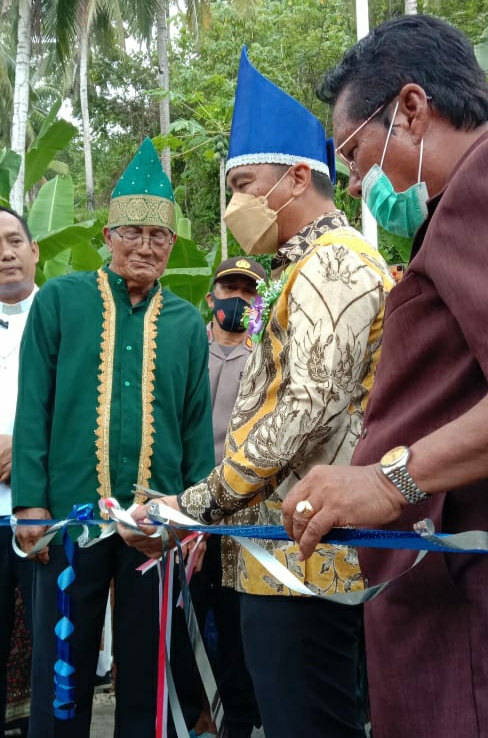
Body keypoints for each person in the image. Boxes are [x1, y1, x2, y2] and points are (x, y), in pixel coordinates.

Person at [121, 49, 393, 738]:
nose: (236, 201)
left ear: (298, 177)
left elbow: (301, 411)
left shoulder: (334, 264)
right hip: (279, 557)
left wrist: (194, 504)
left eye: (244, 183)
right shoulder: (303, 269)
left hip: (305, 564)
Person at [281, 14, 488, 738]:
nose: (362, 181)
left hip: (459, 611)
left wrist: (387, 479)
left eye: (357, 152)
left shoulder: (476, 188)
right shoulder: (452, 207)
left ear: (411, 107)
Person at [11, 138, 214, 738]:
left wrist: (195, 517)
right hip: (70, 520)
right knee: (63, 668)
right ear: (108, 235)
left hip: (156, 526)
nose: (145, 247)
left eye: (158, 238)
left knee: (148, 668)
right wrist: (30, 504)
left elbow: (196, 426)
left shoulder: (185, 324)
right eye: (132, 233)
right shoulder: (59, 303)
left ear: (171, 246)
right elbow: (34, 409)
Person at [191, 256, 265, 738]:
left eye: (247, 291)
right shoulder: (188, 346)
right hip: (190, 513)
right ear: (211, 296)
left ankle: (238, 719)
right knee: (190, 618)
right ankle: (198, 715)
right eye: (229, 288)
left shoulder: (266, 354)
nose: (236, 300)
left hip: (242, 514)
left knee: (238, 625)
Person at [0, 207, 38, 737]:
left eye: (14, 240)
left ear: (35, 251)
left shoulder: (67, 319)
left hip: (39, 515)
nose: (5, 253)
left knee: (55, 645)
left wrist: (22, 449)